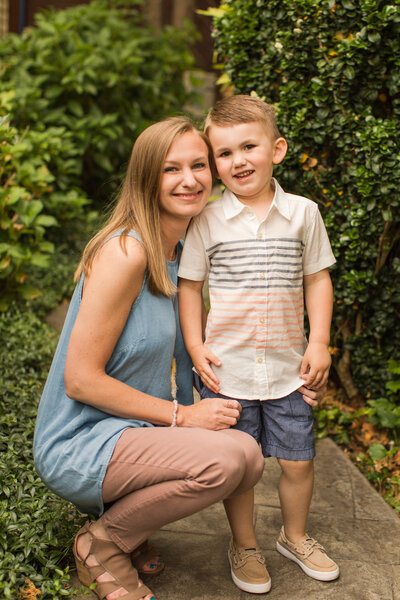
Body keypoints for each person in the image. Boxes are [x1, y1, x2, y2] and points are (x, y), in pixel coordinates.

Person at [33, 116, 266, 600]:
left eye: (199, 165)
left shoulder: (182, 254)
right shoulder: (126, 253)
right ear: (145, 178)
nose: (190, 180)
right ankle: (102, 543)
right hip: (82, 439)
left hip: (134, 432)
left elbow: (204, 351)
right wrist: (184, 417)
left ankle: (125, 528)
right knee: (228, 461)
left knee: (247, 454)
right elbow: (79, 380)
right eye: (170, 169)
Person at [178, 95, 339, 594]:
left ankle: (294, 536)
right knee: (242, 468)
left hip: (290, 367)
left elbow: (317, 278)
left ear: (278, 149)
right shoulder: (206, 220)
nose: (238, 161)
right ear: (214, 163)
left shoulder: (303, 214)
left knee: (298, 460)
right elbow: (189, 287)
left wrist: (321, 342)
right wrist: (193, 344)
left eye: (249, 146)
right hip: (229, 370)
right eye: (224, 154)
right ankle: (244, 545)